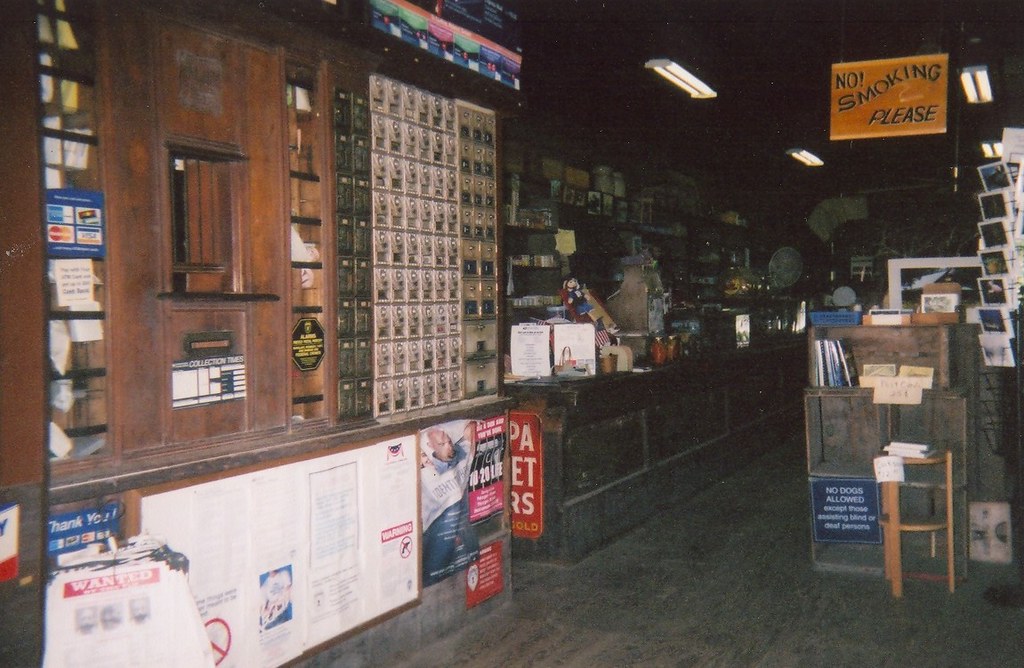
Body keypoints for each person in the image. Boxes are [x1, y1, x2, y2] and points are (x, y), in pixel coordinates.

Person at [420, 423, 479, 585]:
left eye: (449, 443)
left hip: (461, 542)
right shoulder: (426, 472)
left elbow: (470, 430)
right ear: (429, 447)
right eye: (441, 444)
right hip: (435, 549)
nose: (448, 447)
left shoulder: (459, 455)